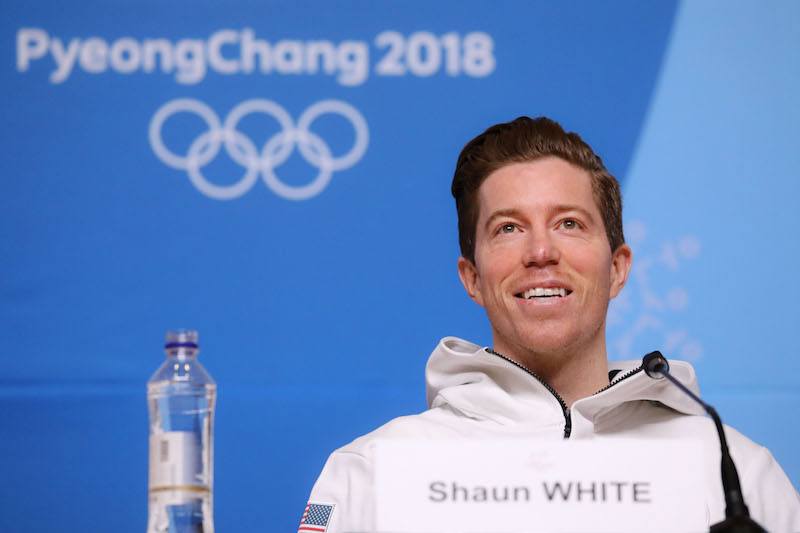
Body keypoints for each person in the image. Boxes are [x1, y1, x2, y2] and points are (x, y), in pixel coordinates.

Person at [299, 117, 800, 532]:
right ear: (473, 278)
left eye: (569, 223)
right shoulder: (371, 473)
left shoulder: (736, 473)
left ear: (617, 268)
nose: (541, 252)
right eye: (508, 228)